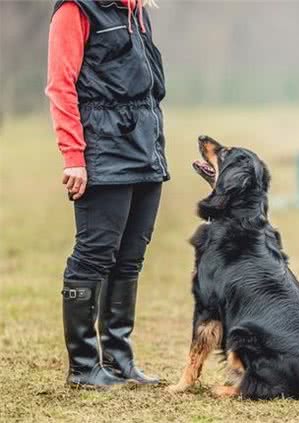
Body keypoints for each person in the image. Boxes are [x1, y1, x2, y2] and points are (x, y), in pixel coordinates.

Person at [45, 0, 168, 388]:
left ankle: (118, 360)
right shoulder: (74, 11)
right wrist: (73, 156)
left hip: (146, 150)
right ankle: (83, 367)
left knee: (130, 259)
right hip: (103, 154)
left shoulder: (138, 11)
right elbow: (60, 86)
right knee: (95, 255)